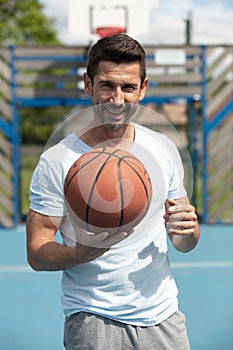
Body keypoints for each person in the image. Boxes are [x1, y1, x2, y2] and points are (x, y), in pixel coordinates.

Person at [26, 33, 200, 350]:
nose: (117, 99)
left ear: (143, 88)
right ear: (88, 84)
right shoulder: (57, 161)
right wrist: (79, 254)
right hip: (93, 318)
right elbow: (37, 252)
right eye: (107, 85)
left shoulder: (163, 149)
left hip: (162, 315)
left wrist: (188, 230)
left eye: (128, 87)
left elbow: (183, 242)